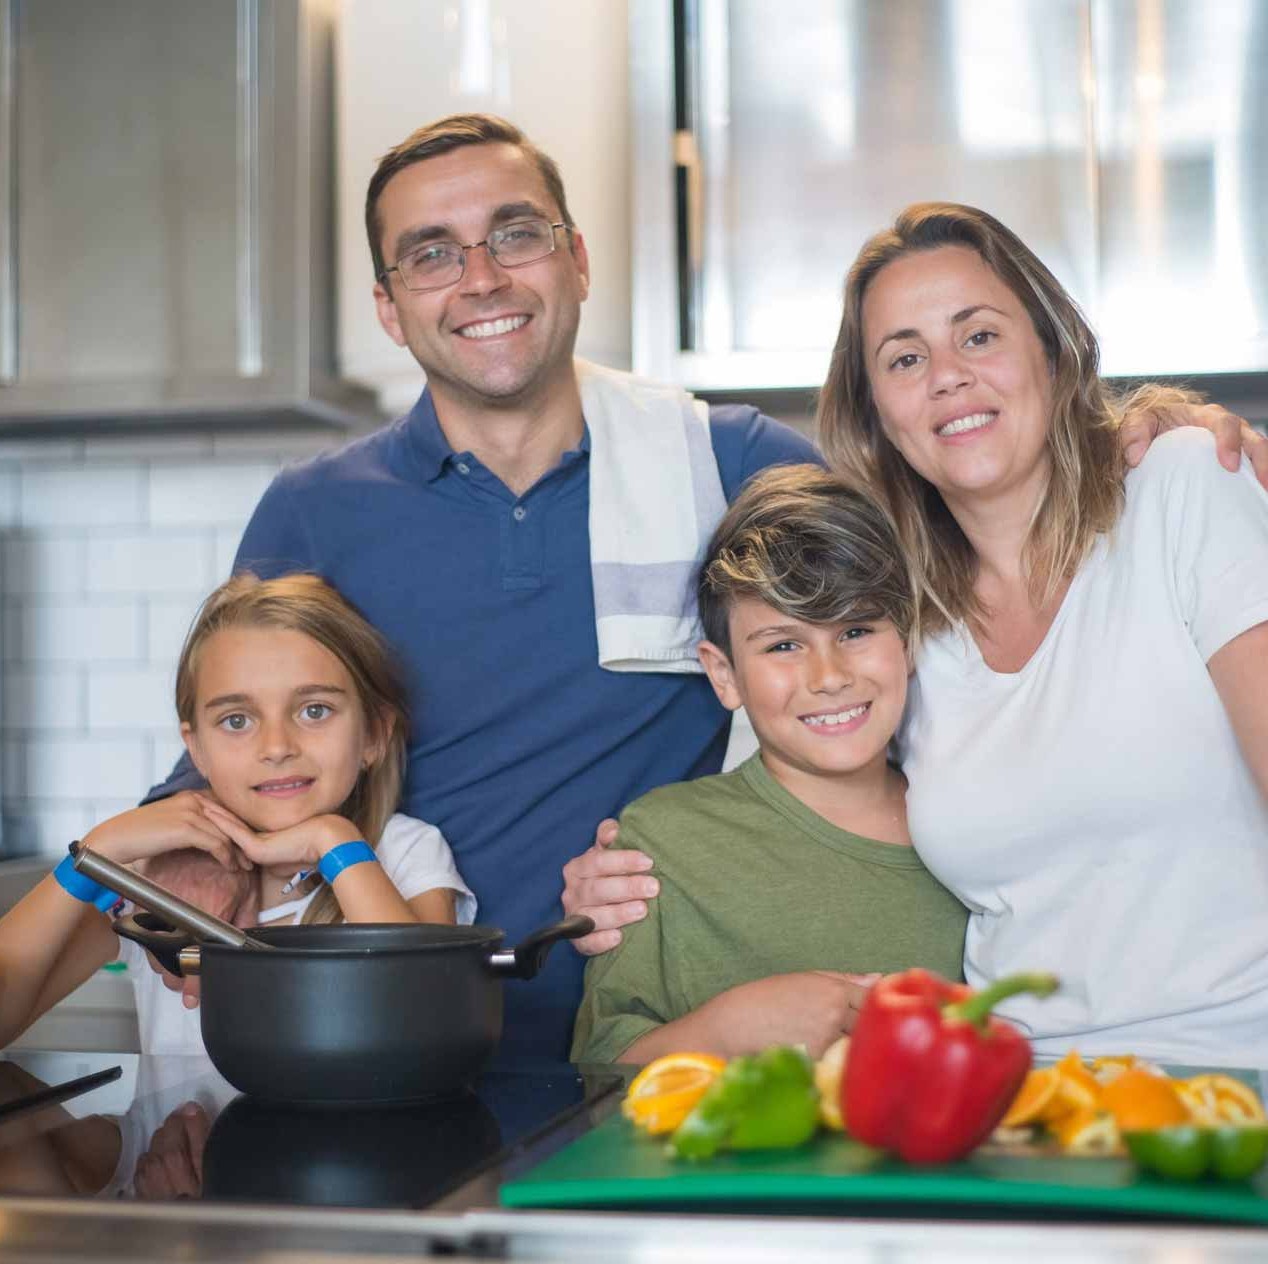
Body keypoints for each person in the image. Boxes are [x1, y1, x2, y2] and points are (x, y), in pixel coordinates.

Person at [148, 112, 1263, 1065]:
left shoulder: (725, 457)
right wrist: (201, 902)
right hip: (391, 1035)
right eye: (431, 254)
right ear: (390, 307)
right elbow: (224, 776)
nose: (480, 277)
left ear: (576, 260)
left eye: (514, 235)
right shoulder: (315, 511)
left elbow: (959, 474)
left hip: (629, 1039)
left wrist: (1132, 424)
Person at [810, 202, 1268, 1066]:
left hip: (1238, 1074)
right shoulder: (894, 618)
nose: (947, 376)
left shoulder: (1184, 486)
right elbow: (775, 795)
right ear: (878, 414)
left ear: (1054, 354)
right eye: (905, 358)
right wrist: (638, 876)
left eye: (978, 336)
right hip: (1010, 1095)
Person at [571, 465, 968, 1065]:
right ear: (723, 674)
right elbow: (600, 1066)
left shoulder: (980, 823)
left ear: (908, 640)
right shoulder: (662, 845)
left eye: (857, 630)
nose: (829, 676)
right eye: (784, 645)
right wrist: (724, 1031)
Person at [0, 573, 474, 1055]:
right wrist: (98, 850)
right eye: (236, 720)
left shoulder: (404, 851)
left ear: (374, 734)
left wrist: (334, 842)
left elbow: (423, 1019)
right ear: (196, 751)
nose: (276, 747)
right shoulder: (154, 880)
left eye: (314, 710)